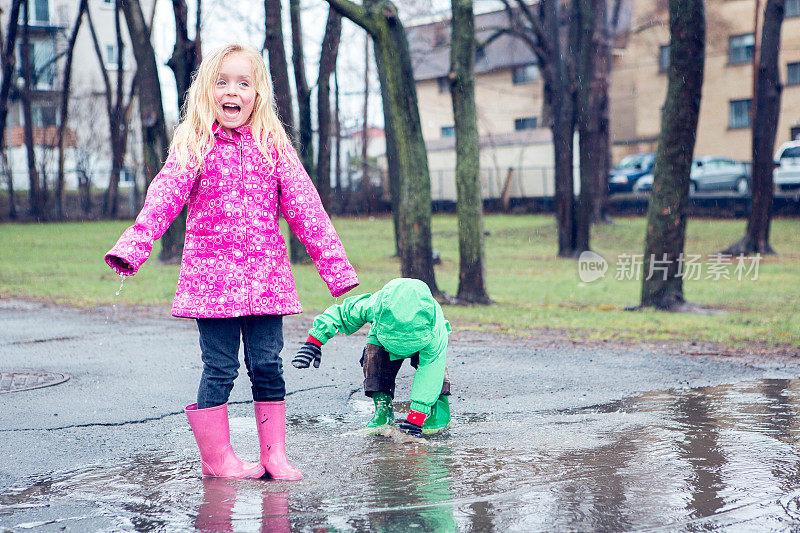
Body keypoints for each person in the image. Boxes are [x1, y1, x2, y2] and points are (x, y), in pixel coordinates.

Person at [104, 44, 358, 480]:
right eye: (222, 81)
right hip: (211, 284)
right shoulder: (194, 145)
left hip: (267, 281)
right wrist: (135, 243)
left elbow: (306, 209)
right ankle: (217, 458)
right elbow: (164, 197)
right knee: (220, 368)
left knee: (268, 365)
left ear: (257, 95)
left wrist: (336, 268)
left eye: (243, 82)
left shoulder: (273, 146)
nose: (232, 91)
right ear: (207, 91)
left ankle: (273, 454)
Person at [292, 278, 451, 437]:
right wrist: (313, 342)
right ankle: (383, 409)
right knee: (373, 355)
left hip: (424, 339)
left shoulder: (435, 329)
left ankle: (439, 407)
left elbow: (430, 375)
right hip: (384, 337)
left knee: (436, 368)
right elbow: (343, 314)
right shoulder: (377, 305)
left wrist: (415, 420)